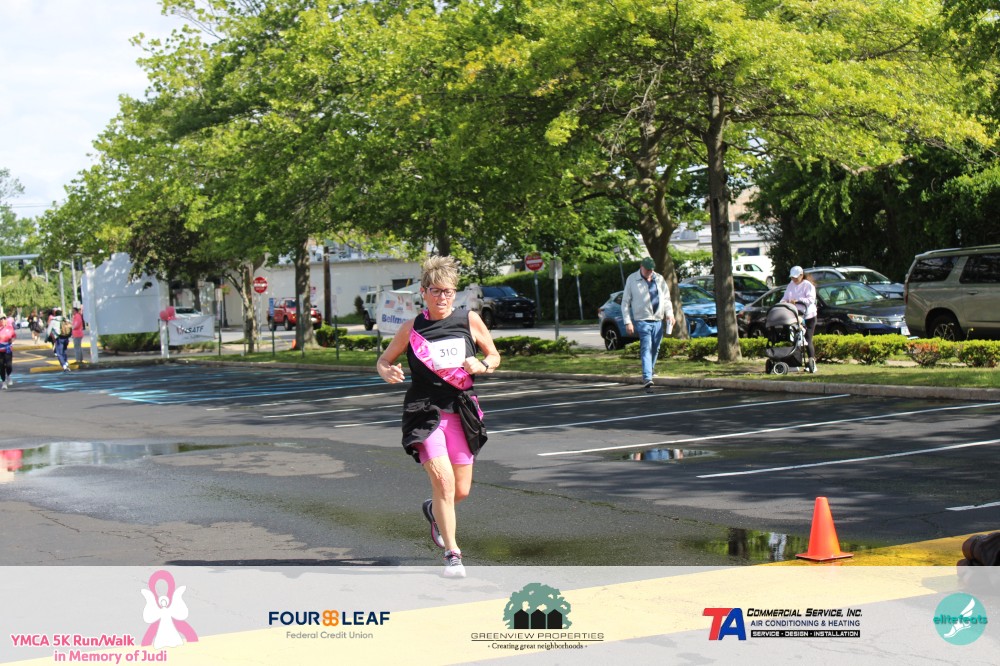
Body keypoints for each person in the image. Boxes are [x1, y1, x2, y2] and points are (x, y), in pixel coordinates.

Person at [376, 256, 500, 579]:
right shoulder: (411, 329)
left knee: (461, 490)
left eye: (448, 291)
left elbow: (494, 355)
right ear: (424, 292)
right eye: (436, 291)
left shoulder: (469, 320)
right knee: (443, 482)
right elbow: (384, 360)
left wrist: (483, 365)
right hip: (424, 412)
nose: (442, 297)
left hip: (461, 411)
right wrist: (387, 370)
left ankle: (432, 510)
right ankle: (452, 554)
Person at [621, 257, 675, 391]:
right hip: (642, 320)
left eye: (651, 270)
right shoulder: (632, 279)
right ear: (641, 267)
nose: (650, 272)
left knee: (655, 348)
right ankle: (647, 377)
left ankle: (650, 370)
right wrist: (628, 322)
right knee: (646, 347)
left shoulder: (659, 278)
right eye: (647, 270)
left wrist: (670, 314)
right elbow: (625, 303)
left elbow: (666, 299)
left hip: (658, 319)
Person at [781, 266, 817, 372]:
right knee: (795, 340)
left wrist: (797, 300)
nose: (794, 279)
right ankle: (795, 362)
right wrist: (783, 303)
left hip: (808, 316)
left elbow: (811, 300)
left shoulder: (808, 285)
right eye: (792, 277)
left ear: (801, 275)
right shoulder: (790, 285)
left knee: (808, 339)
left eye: (796, 277)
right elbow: (785, 297)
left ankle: (812, 363)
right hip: (795, 316)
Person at [47, 307, 71, 371]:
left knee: (59, 353)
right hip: (66, 337)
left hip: (59, 338)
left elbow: (48, 331)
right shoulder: (65, 319)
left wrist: (46, 338)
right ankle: (66, 362)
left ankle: (64, 366)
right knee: (64, 351)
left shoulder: (53, 321)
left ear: (55, 314)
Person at [0, 314, 15, 389]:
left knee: (9, 366)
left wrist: (12, 340)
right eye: (1, 319)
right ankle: (3, 382)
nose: (3, 320)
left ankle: (8, 375)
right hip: (0, 351)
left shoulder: (10, 328)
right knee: (1, 366)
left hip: (8, 349)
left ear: (6, 320)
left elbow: (13, 336)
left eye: (4, 318)